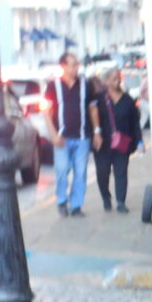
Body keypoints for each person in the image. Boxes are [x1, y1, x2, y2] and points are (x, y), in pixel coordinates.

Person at [43, 52, 102, 217]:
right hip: (62, 137)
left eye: (77, 64)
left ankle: (76, 205)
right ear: (63, 66)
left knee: (81, 172)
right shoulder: (52, 86)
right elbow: (46, 111)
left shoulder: (86, 85)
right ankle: (62, 201)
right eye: (73, 64)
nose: (76, 67)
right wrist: (53, 135)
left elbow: (93, 109)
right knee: (62, 170)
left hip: (82, 136)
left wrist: (97, 132)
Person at [93, 67, 143, 213]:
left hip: (123, 143)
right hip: (103, 144)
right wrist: (95, 136)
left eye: (118, 78)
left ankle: (121, 201)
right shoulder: (99, 99)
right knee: (102, 173)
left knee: (121, 172)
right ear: (107, 81)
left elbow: (135, 122)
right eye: (114, 78)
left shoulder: (127, 100)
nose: (117, 81)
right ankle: (106, 197)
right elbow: (92, 119)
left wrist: (139, 141)